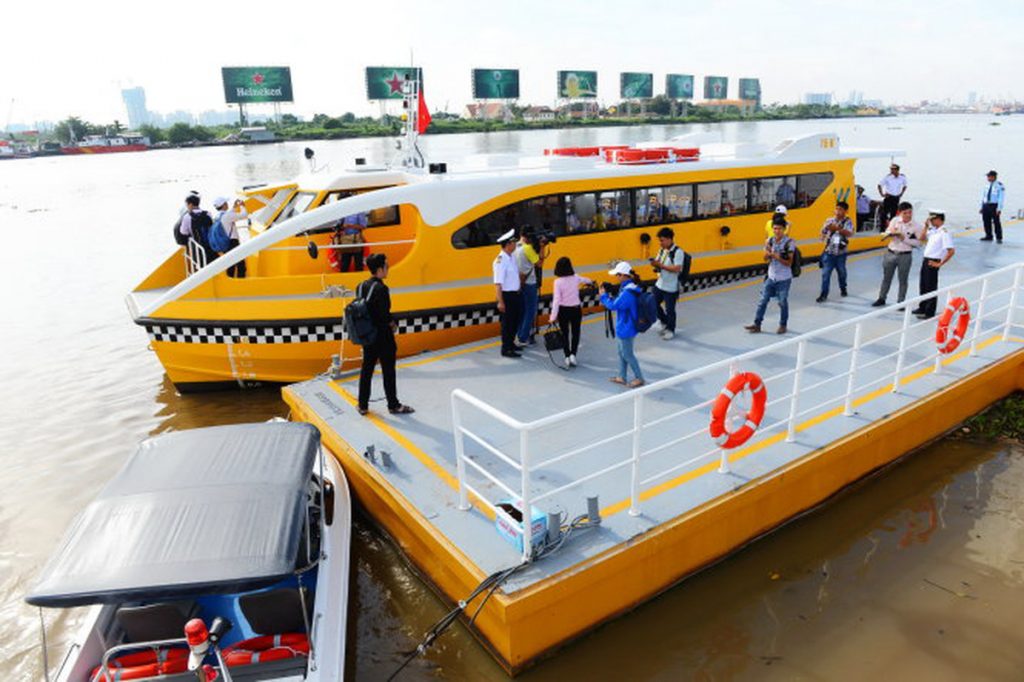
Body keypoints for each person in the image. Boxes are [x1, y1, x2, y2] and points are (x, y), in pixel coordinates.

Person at [356, 253, 414, 416]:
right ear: (380, 269)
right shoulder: (381, 289)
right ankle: (393, 405)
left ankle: (362, 405)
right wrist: (393, 323)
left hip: (367, 335)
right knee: (388, 371)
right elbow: (384, 314)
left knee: (366, 369)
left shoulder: (360, 286)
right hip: (383, 336)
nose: (388, 270)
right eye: (387, 267)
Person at [746, 216, 795, 334]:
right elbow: (764, 259)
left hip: (784, 278)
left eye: (779, 229)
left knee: (782, 302)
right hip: (771, 277)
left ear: (784, 229)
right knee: (763, 300)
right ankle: (757, 324)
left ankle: (783, 325)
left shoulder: (790, 243)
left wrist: (776, 256)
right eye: (774, 229)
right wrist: (767, 255)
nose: (776, 231)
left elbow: (789, 263)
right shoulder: (770, 241)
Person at [600, 262, 645, 388]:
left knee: (628, 354)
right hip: (624, 326)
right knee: (621, 352)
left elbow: (614, 306)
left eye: (618, 275)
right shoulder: (629, 288)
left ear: (624, 275)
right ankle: (622, 376)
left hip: (627, 328)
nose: (616, 277)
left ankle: (639, 378)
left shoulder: (628, 293)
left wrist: (603, 296)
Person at [873, 202, 923, 307]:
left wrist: (903, 238)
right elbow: (887, 231)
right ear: (900, 213)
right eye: (905, 213)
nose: (908, 215)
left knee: (903, 279)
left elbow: (918, 243)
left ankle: (901, 301)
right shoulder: (895, 220)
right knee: (886, 277)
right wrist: (889, 233)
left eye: (910, 212)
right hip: (891, 252)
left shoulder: (916, 226)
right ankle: (882, 298)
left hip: (905, 255)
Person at [549, 257, 593, 368]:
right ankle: (574, 354)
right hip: (576, 309)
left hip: (563, 311)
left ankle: (567, 356)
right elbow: (587, 280)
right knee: (575, 333)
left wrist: (552, 316)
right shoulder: (576, 278)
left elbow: (556, 300)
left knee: (565, 333)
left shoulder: (557, 282)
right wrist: (591, 282)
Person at [912, 211, 955, 319]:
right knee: (923, 285)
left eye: (932, 219)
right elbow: (921, 239)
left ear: (938, 219)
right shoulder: (933, 231)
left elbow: (951, 251)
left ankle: (929, 311)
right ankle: (922, 307)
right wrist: (926, 227)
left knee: (931, 287)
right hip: (926, 259)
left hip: (933, 260)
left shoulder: (944, 232)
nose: (930, 221)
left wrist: (940, 264)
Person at [649, 227, 687, 340]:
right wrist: (655, 264)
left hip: (670, 287)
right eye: (660, 240)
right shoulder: (662, 250)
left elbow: (677, 268)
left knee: (670, 310)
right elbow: (659, 263)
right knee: (653, 304)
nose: (661, 243)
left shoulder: (678, 252)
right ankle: (664, 322)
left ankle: (671, 329)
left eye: (662, 240)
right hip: (660, 284)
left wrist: (661, 266)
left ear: (670, 239)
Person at [493, 229, 523, 358]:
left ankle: (511, 343)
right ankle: (506, 348)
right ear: (508, 244)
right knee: (507, 323)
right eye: (513, 242)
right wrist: (500, 301)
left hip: (515, 294)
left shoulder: (511, 258)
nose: (515, 244)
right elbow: (498, 283)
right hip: (507, 296)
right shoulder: (500, 261)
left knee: (515, 320)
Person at [515, 231, 547, 346]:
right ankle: (524, 337)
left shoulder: (517, 248)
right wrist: (542, 248)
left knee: (522, 310)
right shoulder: (527, 248)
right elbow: (539, 264)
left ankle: (519, 334)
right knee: (530, 311)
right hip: (530, 283)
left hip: (521, 283)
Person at [817, 201, 854, 302]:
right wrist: (823, 235)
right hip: (829, 252)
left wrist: (837, 229)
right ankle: (823, 294)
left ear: (846, 211)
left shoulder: (847, 221)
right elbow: (822, 233)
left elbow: (849, 233)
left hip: (841, 253)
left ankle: (843, 288)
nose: (838, 211)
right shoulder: (829, 220)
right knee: (825, 274)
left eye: (841, 209)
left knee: (842, 272)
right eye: (837, 209)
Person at [214, 196, 249, 278]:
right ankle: (241, 284)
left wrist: (234, 207)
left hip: (224, 243)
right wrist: (242, 206)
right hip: (232, 242)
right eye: (226, 203)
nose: (227, 204)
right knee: (241, 266)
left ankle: (230, 283)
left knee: (230, 265)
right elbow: (244, 215)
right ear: (223, 205)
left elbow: (229, 215)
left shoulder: (217, 216)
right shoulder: (227, 216)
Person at [178, 194, 215, 263]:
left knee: (201, 264)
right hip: (212, 245)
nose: (187, 207)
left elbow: (183, 232)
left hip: (198, 248)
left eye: (187, 205)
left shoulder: (187, 217)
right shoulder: (208, 213)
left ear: (191, 204)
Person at [979, 170, 1006, 243]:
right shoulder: (986, 185)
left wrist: (999, 208)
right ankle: (988, 236)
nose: (987, 178)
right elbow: (983, 196)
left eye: (989, 176)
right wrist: (981, 207)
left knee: (996, 222)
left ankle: (999, 237)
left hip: (994, 206)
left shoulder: (1000, 186)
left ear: (993, 177)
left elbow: (1001, 198)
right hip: (986, 205)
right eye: (987, 176)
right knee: (986, 221)